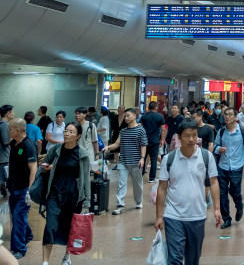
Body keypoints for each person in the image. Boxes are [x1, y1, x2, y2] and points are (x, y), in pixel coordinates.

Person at [155, 118, 221, 265]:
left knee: (193, 260)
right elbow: (162, 188)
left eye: (194, 135)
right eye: (187, 135)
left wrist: (217, 209)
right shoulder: (169, 158)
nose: (191, 139)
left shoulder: (206, 156)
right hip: (173, 216)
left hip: (197, 215)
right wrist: (159, 216)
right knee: (175, 259)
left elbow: (214, 182)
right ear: (179, 137)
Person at [40, 122, 91, 265]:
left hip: (73, 195)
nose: (67, 134)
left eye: (71, 132)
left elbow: (86, 178)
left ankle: (67, 257)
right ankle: (45, 262)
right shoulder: (56, 149)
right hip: (55, 193)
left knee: (69, 228)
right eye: (66, 131)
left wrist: (86, 201)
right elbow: (44, 165)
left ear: (78, 136)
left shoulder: (82, 154)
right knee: (50, 226)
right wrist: (46, 168)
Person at [213, 107, 244, 229]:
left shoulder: (242, 130)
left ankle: (239, 205)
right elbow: (215, 146)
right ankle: (226, 219)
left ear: (236, 117)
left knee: (235, 191)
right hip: (223, 166)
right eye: (226, 115)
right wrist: (219, 149)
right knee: (222, 194)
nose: (227, 117)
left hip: (236, 165)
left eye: (230, 114)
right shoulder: (221, 131)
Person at [103, 108, 147, 215]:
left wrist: (142, 158)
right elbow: (117, 144)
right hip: (123, 161)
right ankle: (120, 205)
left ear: (134, 116)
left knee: (137, 184)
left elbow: (143, 145)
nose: (126, 118)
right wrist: (107, 147)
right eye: (125, 116)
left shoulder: (140, 130)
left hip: (136, 161)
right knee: (121, 183)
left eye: (128, 116)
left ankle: (138, 201)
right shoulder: (123, 131)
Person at [7, 119, 36, 259]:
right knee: (17, 216)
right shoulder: (14, 144)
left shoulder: (28, 145)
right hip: (14, 187)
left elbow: (33, 168)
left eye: (10, 129)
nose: (8, 131)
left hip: (24, 188)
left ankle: (19, 248)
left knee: (18, 216)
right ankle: (28, 234)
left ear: (17, 130)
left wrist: (30, 190)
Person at [140, 101, 166, 183]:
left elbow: (139, 126)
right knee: (154, 159)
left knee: (143, 157)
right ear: (156, 107)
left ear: (148, 107)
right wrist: (162, 139)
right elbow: (163, 128)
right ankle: (152, 178)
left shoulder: (144, 116)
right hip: (155, 141)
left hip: (144, 141)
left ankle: (140, 174)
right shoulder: (160, 116)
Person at [0, 105, 14, 197]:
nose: (13, 114)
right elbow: (6, 141)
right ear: (8, 114)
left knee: (2, 181)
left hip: (2, 158)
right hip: (4, 158)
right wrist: (14, 138)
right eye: (12, 112)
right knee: (7, 182)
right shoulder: (4, 125)